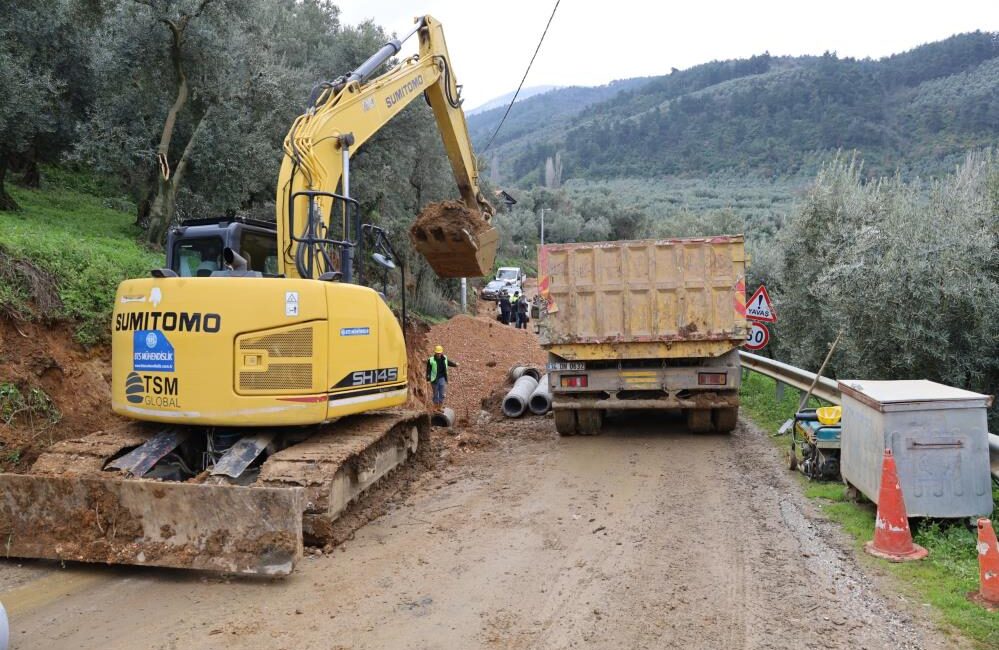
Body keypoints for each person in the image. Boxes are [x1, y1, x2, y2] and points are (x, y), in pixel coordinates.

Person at [426, 345, 458, 411]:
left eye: (439, 353)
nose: (438, 354)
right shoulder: (431, 360)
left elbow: (449, 363)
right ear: (435, 352)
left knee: (442, 393)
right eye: (437, 353)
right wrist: (428, 377)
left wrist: (455, 364)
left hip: (442, 378)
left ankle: (440, 407)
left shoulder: (444, 358)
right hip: (434, 379)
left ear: (441, 352)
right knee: (435, 394)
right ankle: (435, 407)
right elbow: (428, 369)